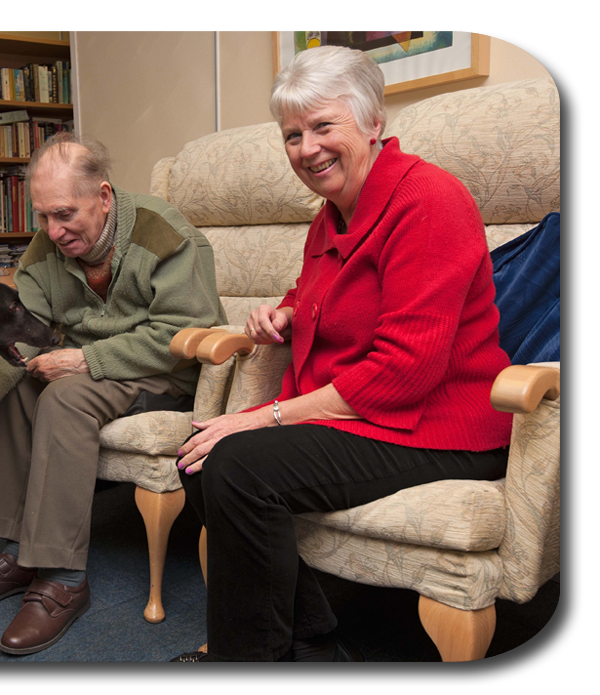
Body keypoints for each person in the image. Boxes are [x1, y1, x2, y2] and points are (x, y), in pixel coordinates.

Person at [172, 46, 513, 662]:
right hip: (369, 411)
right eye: (293, 135)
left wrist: (263, 417)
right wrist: (286, 311)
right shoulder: (330, 215)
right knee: (198, 457)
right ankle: (307, 639)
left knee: (238, 464)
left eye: (324, 127)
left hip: (440, 425)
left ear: (373, 123)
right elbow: (328, 294)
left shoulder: (429, 200)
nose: (307, 149)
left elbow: (406, 367)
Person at [0, 133, 227, 655]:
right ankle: (21, 551)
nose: (52, 231)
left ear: (104, 197)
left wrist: (87, 359)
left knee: (64, 396)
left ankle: (64, 580)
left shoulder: (168, 236)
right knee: (21, 382)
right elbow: (17, 334)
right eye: (43, 216)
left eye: (65, 214)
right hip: (89, 369)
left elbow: (184, 333)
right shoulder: (48, 247)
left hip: (164, 373)